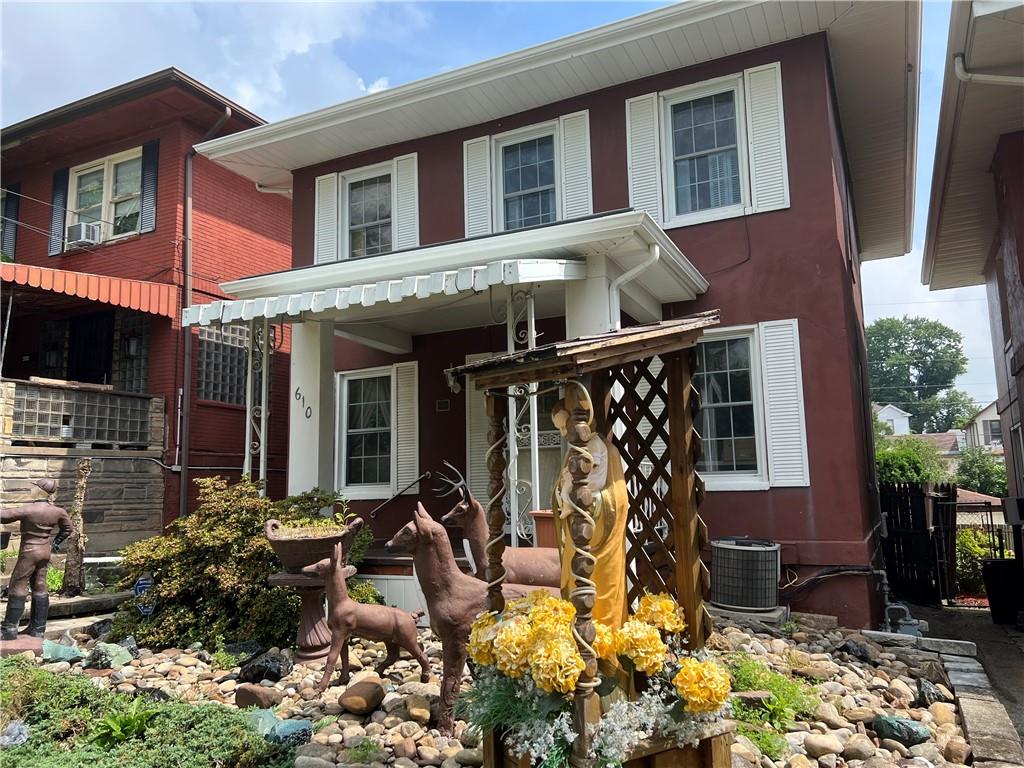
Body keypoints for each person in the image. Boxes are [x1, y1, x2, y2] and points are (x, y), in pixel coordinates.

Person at [551, 384, 629, 630]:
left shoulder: (599, 448)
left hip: (597, 532)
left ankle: (602, 637)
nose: (564, 433)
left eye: (566, 426)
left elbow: (601, 491)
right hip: (578, 533)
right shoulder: (574, 450)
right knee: (578, 584)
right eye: (561, 428)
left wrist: (581, 500)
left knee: (596, 588)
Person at [1, 479, 71, 640]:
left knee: (17, 585)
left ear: (40, 491)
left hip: (29, 552)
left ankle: (9, 629)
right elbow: (68, 528)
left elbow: (4, 516)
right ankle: (38, 629)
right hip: (45, 551)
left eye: (34, 487)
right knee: (40, 585)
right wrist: (56, 543)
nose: (31, 489)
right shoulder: (58, 511)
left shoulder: (29, 509)